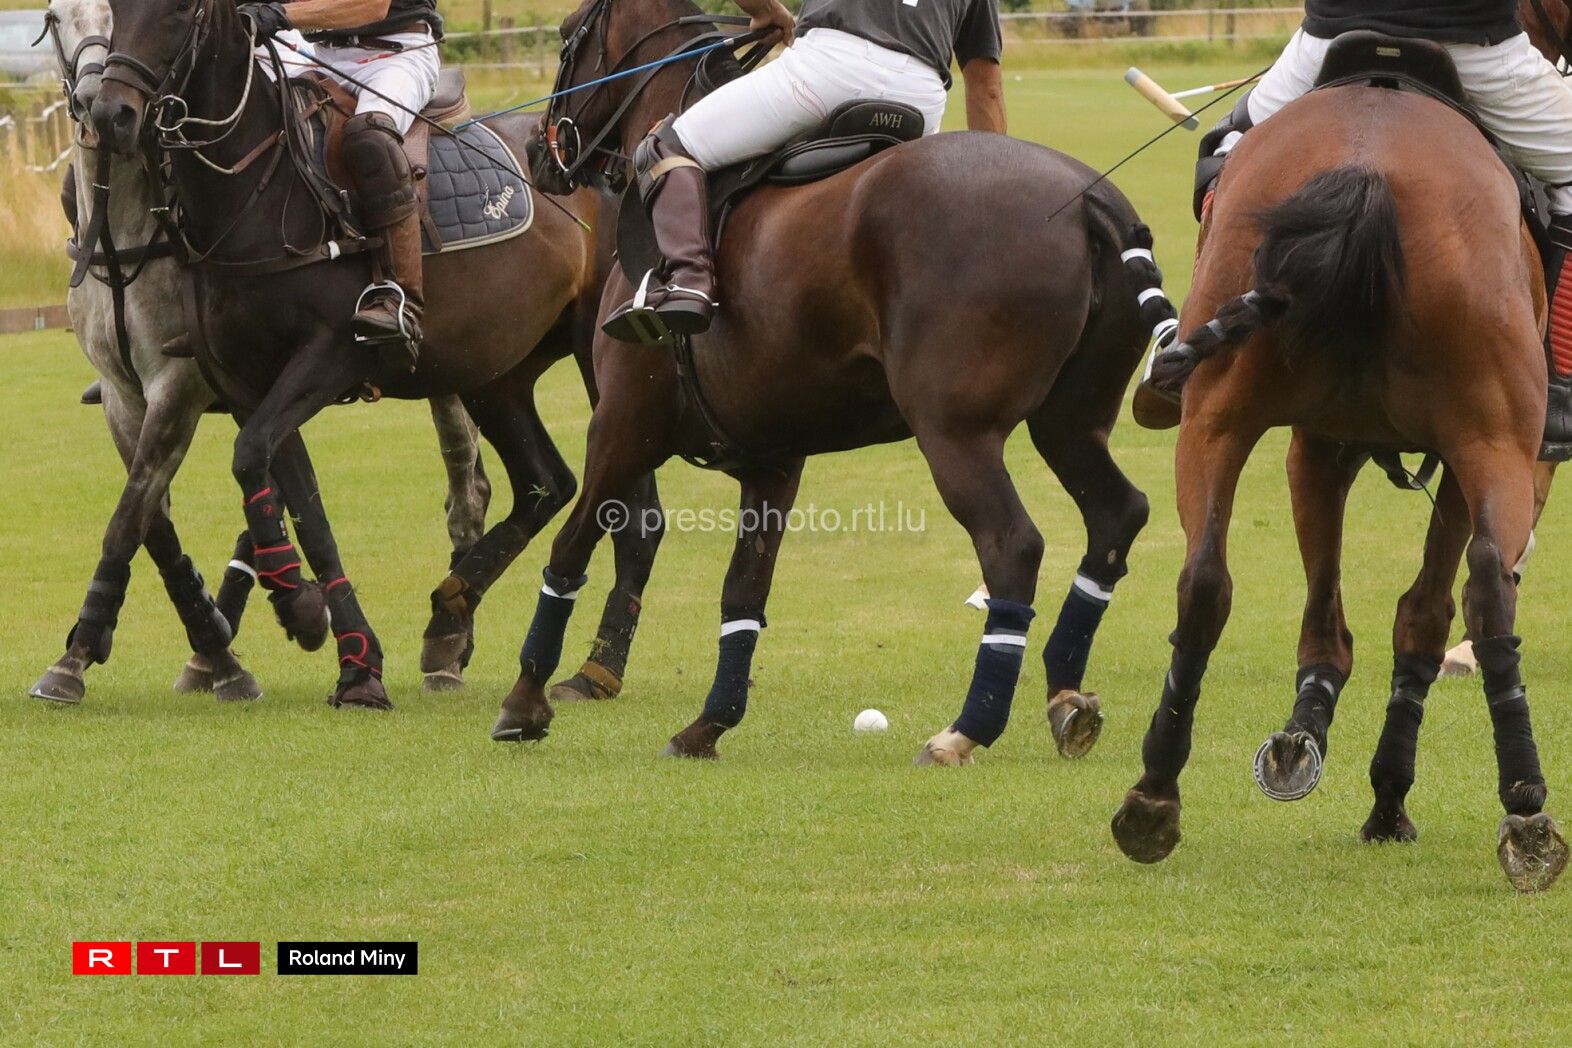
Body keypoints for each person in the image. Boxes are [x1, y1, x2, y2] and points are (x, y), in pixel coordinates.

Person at [1138, 0, 1572, 451]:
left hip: (1331, 37)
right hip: (1476, 48)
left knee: (1226, 150)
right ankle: (1560, 380)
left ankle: (1190, 342)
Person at [602, 0, 1007, 345]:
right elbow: (986, 86)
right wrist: (990, 195)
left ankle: (689, 281)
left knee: (667, 145)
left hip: (829, 70)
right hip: (921, 98)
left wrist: (766, 10)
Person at [239, 1, 444, 373]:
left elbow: (372, 5)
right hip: (320, 55)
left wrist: (279, 15)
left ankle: (401, 300)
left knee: (370, 138)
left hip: (396, 56)